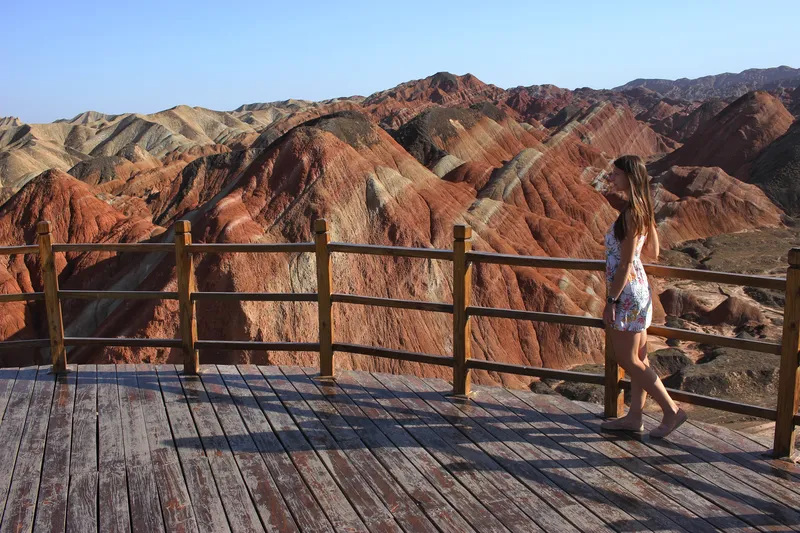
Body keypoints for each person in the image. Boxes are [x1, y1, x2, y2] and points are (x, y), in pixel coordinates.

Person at [601, 155, 687, 439]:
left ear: (629, 177)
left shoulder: (629, 214)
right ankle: (635, 417)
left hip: (626, 293)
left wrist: (611, 301)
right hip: (640, 290)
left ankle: (671, 410)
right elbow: (654, 254)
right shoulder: (640, 210)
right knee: (639, 357)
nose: (611, 178)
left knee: (627, 358)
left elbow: (625, 264)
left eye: (615, 173)